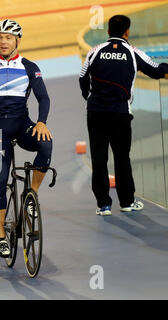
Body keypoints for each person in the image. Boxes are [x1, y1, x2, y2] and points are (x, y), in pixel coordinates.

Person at [0, 19, 53, 258]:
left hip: (23, 124)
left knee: (46, 144)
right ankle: (1, 237)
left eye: (8, 37)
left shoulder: (29, 67)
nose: (3, 41)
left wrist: (41, 122)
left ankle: (32, 194)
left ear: (18, 40)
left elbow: (43, 98)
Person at [79, 15, 168, 216]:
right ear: (127, 32)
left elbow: (83, 77)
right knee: (122, 157)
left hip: (96, 112)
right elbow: (155, 70)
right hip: (120, 113)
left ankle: (103, 205)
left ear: (108, 31)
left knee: (99, 158)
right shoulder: (132, 52)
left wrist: (90, 99)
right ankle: (127, 202)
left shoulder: (94, 52)